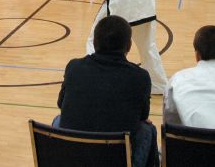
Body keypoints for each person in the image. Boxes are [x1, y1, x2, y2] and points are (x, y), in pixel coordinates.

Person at [56, 15, 157, 167]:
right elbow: (143, 115)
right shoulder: (140, 76)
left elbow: (61, 104)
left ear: (94, 43)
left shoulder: (74, 67)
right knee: (147, 129)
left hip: (73, 158)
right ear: (129, 46)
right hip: (115, 159)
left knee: (58, 120)